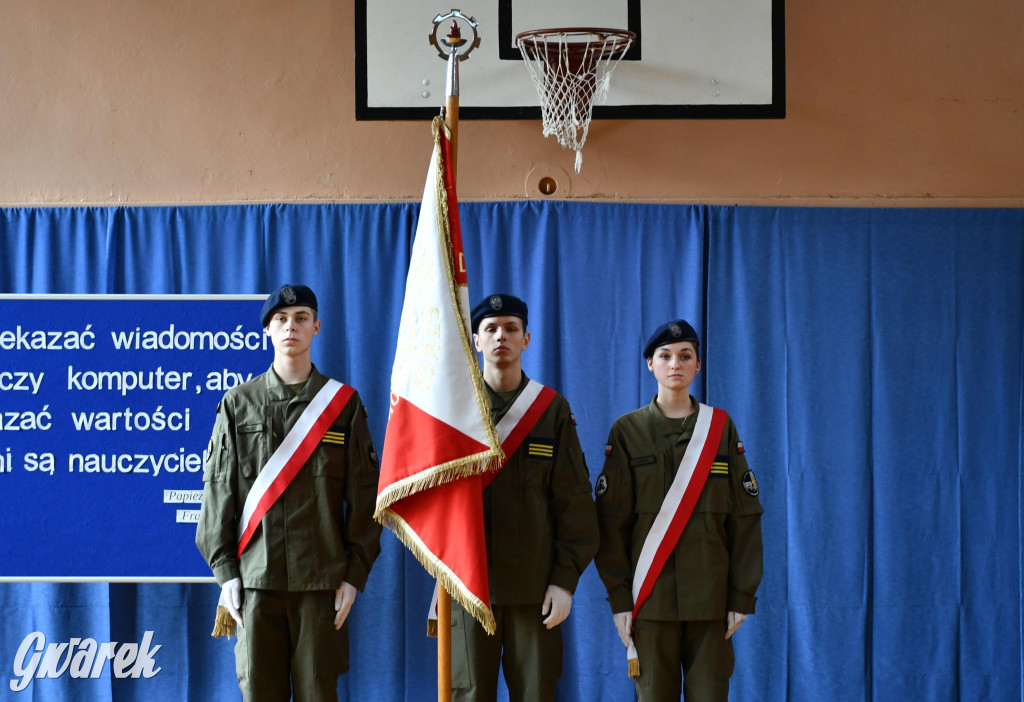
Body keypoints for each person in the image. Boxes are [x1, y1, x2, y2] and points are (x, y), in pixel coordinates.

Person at [196, 284, 382, 702]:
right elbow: (217, 494)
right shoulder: (237, 404)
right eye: (280, 319)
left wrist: (354, 575)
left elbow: (366, 498)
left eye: (300, 318)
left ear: (317, 327)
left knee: (319, 692)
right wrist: (225, 572)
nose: (290, 326)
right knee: (259, 693)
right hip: (255, 584)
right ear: (267, 329)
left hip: (321, 585)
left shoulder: (342, 405)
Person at [594, 319, 763, 702]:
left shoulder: (720, 428)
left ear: (698, 366)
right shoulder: (627, 431)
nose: (675, 364)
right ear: (649, 364)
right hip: (650, 604)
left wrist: (741, 596)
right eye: (665, 356)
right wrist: (620, 599)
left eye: (685, 356)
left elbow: (745, 517)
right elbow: (610, 524)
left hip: (712, 603)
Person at [449, 293, 599, 702]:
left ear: (527, 339)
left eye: (511, 328)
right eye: (491, 329)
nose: (501, 336)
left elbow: (575, 505)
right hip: (468, 589)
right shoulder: (451, 411)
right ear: (475, 341)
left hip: (535, 593)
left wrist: (564, 583)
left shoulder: (550, 411)